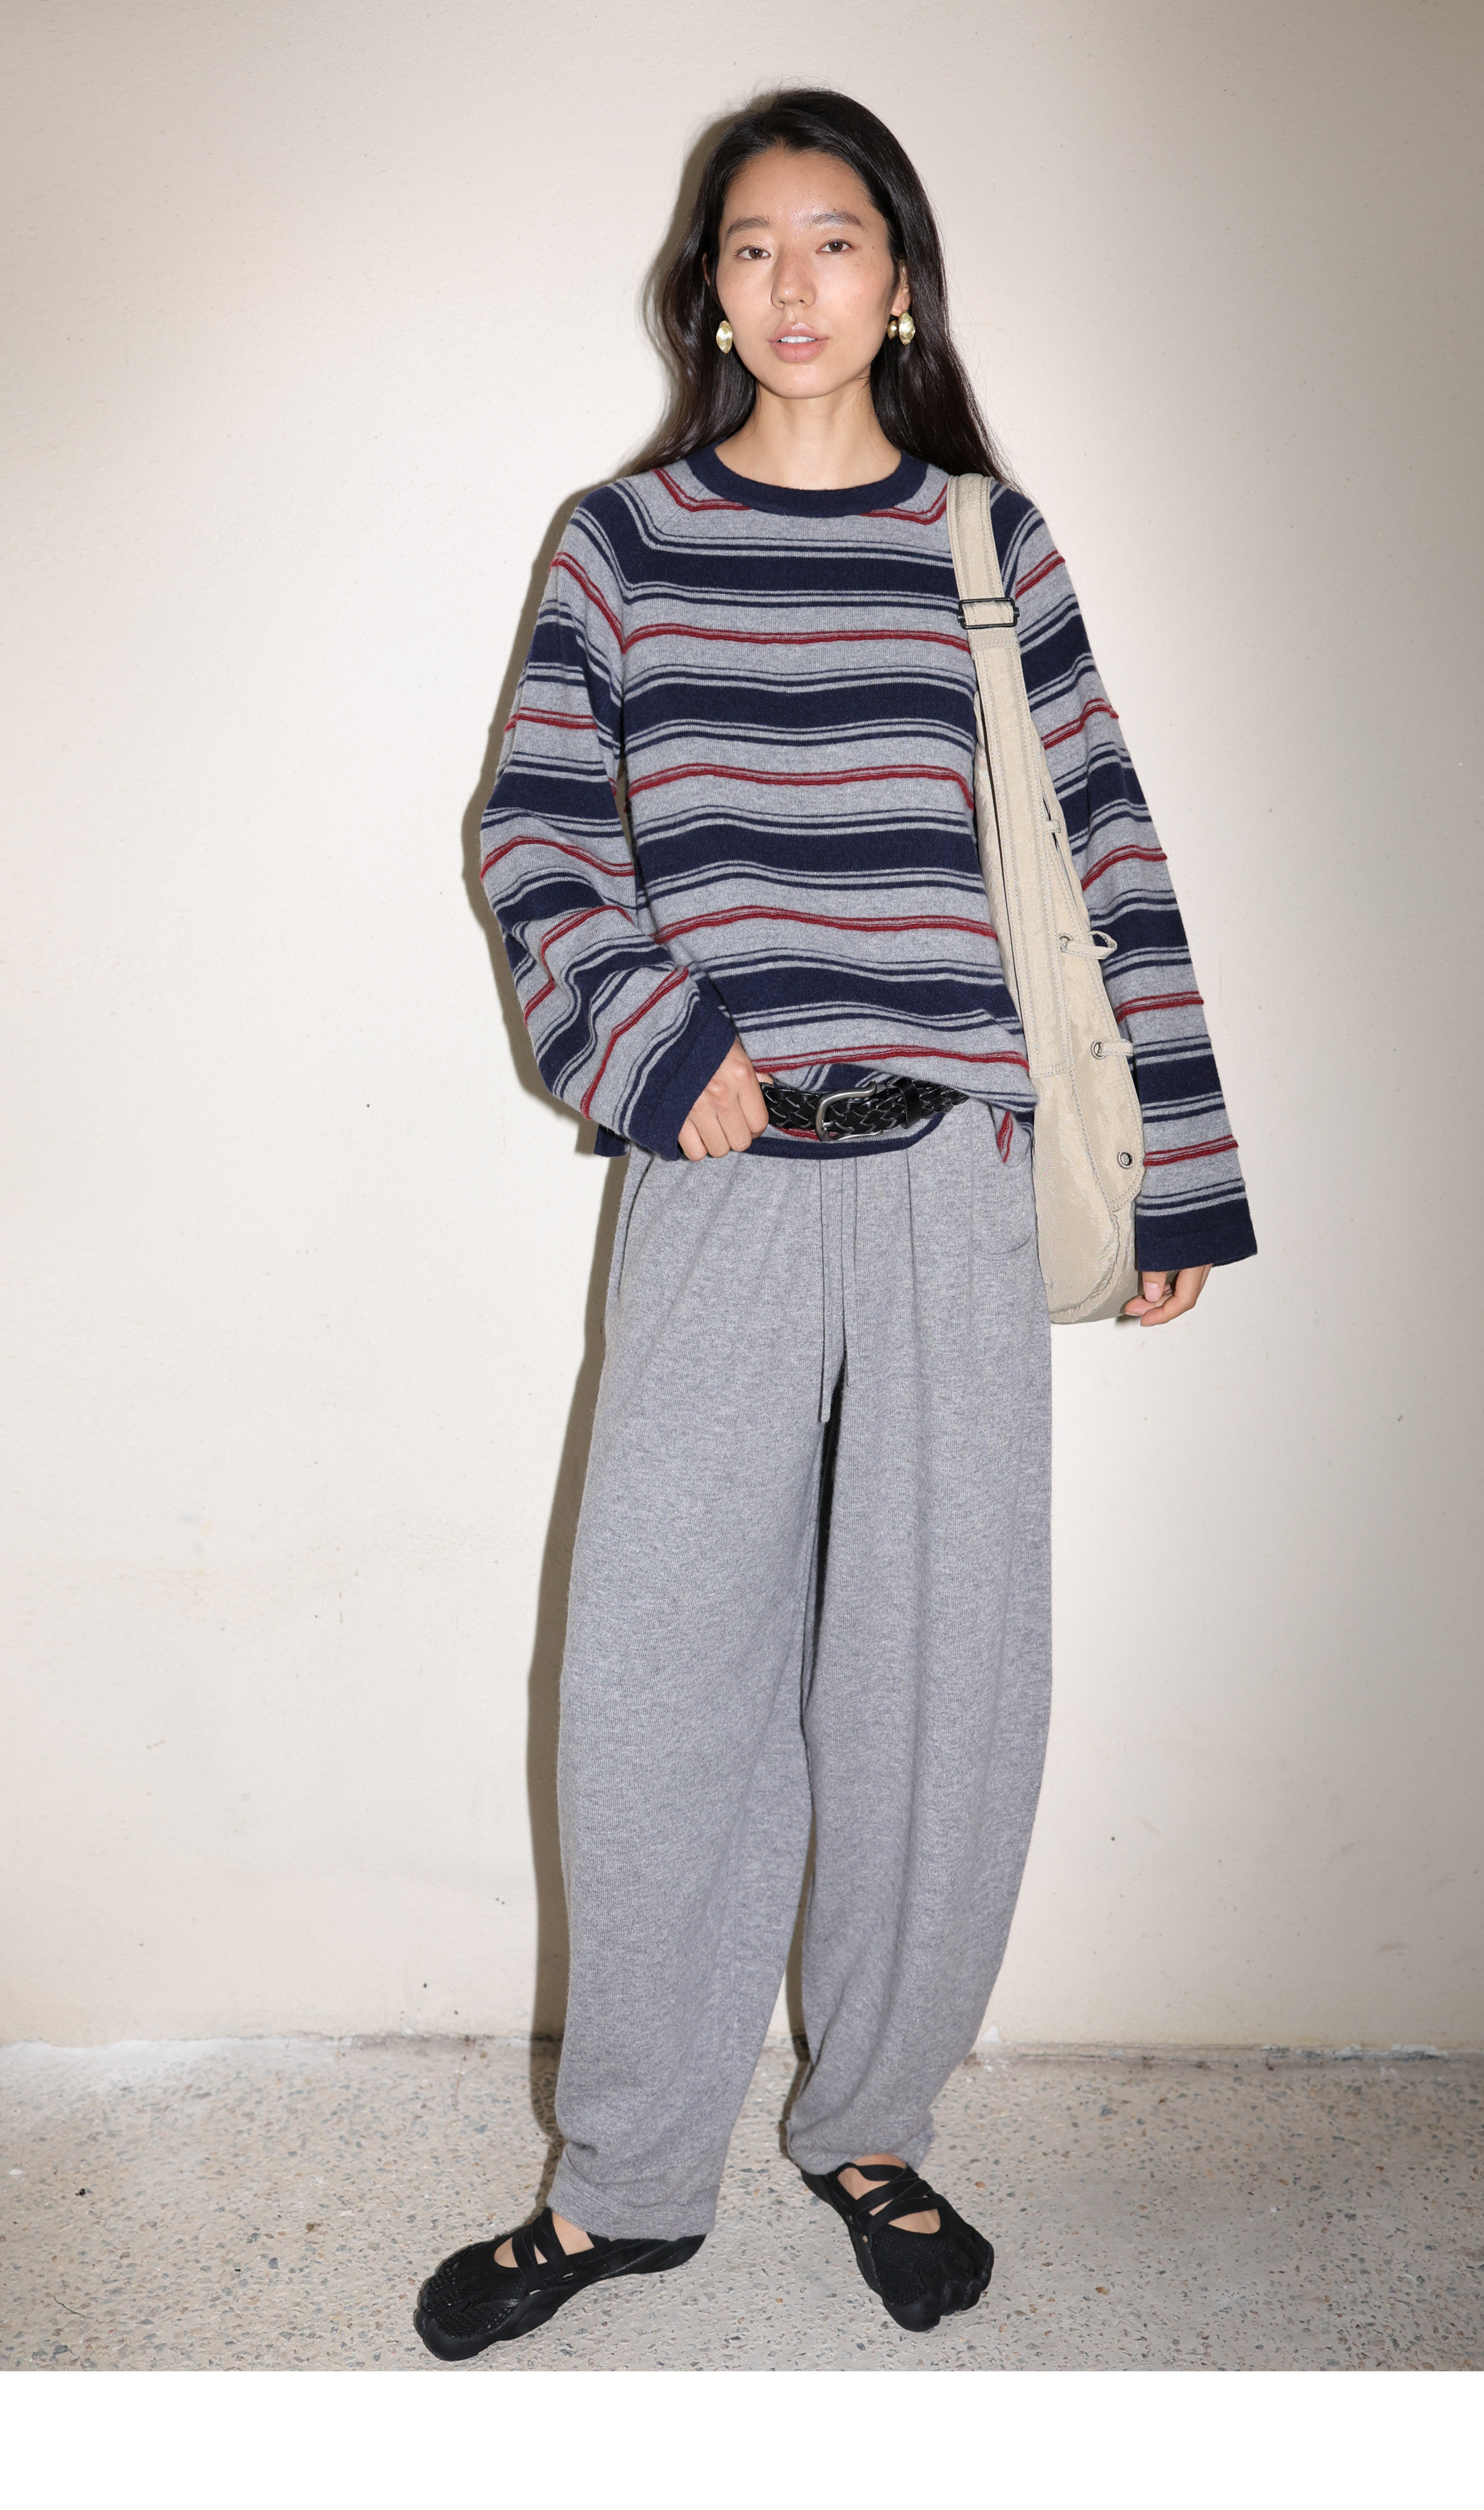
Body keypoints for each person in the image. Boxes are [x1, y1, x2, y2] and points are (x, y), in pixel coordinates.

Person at [415, 87, 1256, 2362]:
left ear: (898, 285)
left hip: (953, 1176)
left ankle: (870, 2127)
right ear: (708, 291)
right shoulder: (624, 539)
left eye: (837, 241)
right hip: (718, 1174)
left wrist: (1175, 1162)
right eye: (752, 246)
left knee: (937, 1687)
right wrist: (657, 1042)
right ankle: (624, 2182)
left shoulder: (987, 541)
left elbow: (1107, 851)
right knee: (654, 1684)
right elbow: (534, 835)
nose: (793, 283)